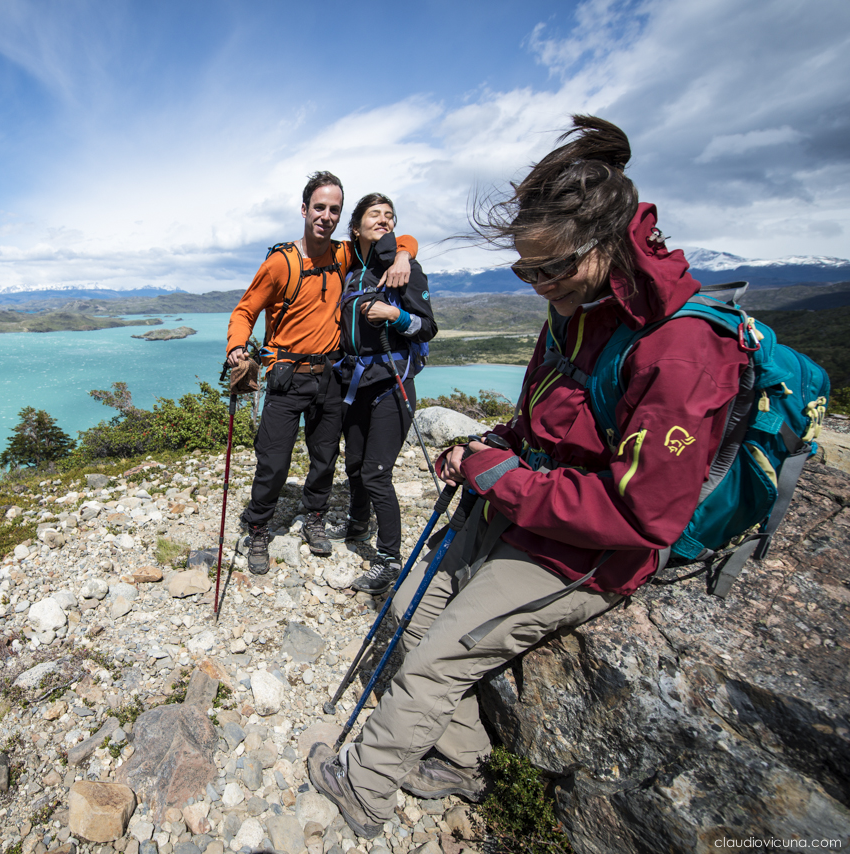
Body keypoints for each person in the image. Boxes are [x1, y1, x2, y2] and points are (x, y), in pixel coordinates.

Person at [307, 115, 750, 838]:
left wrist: (502, 478)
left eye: (552, 268)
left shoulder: (683, 349)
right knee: (407, 614)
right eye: (526, 272)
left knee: (434, 662)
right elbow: (541, 422)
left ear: (608, 243)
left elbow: (643, 517)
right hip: (530, 505)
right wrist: (487, 449)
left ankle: (365, 789)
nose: (542, 285)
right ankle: (460, 761)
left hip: (590, 548)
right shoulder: (578, 309)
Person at [226, 172, 417, 575]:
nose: (326, 216)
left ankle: (314, 516)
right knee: (274, 460)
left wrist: (404, 255)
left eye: (334, 209)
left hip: (330, 373)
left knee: (325, 456)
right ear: (304, 209)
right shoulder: (281, 262)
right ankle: (257, 525)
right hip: (286, 374)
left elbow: (393, 239)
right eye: (319, 207)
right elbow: (245, 310)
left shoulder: (344, 254)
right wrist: (237, 348)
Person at [332, 193, 437, 594]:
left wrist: (395, 314)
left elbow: (427, 328)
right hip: (355, 383)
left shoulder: (404, 269)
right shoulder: (352, 274)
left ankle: (390, 558)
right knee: (355, 465)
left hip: (393, 382)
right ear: (356, 226)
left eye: (390, 216)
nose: (384, 220)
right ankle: (358, 523)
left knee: (377, 473)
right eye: (374, 214)